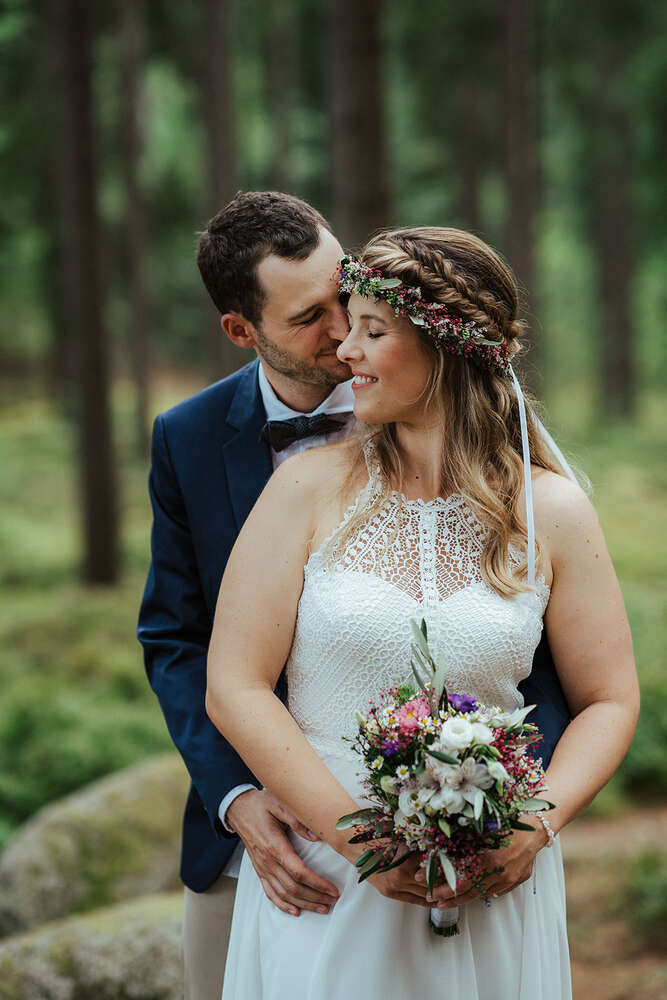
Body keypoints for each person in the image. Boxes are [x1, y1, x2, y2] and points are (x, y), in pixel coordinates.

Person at [206, 226, 639, 999]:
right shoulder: (305, 489)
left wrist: (532, 827)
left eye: (373, 331)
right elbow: (234, 683)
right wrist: (354, 836)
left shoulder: (552, 510)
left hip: (492, 877)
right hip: (329, 874)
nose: (346, 352)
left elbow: (609, 699)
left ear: (448, 346)